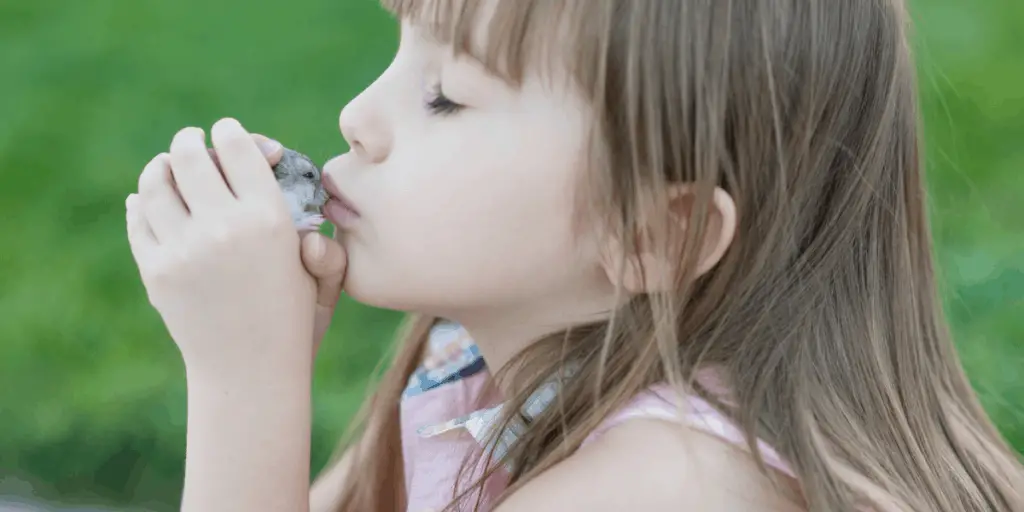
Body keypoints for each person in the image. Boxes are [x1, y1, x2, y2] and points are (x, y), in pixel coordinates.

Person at [124, 0, 1024, 510]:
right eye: (399, 54)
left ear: (652, 234)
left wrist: (246, 380)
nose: (358, 114)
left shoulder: (665, 489)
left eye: (446, 96)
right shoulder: (477, 361)